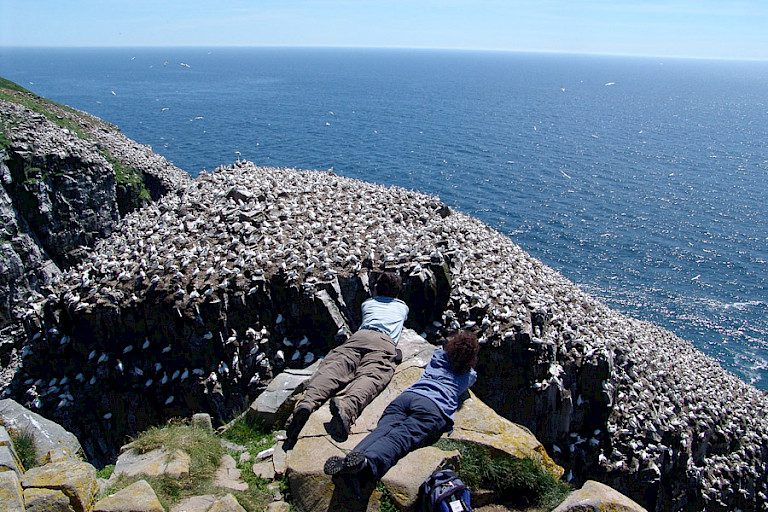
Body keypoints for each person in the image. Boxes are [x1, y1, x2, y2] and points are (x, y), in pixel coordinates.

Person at [323, 331, 480, 498]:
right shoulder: (469, 375)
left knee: (382, 430)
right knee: (400, 438)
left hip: (407, 398)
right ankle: (367, 465)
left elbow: (441, 352)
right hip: (434, 408)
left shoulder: (438, 357)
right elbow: (469, 379)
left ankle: (351, 461)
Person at [285, 271, 409, 445]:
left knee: (335, 366)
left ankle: (307, 403)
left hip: (359, 337)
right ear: (397, 292)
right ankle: (348, 407)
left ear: (375, 289)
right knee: (372, 374)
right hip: (384, 343)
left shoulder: (368, 303)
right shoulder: (402, 307)